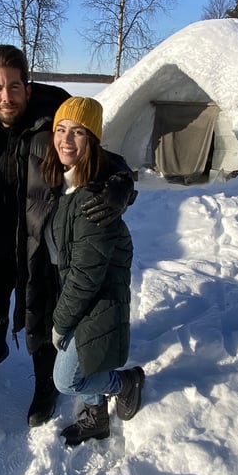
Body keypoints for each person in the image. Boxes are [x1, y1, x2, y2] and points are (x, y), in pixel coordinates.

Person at [0, 45, 137, 428]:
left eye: (14, 86)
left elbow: (92, 147)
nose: (6, 96)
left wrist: (120, 182)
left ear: (28, 83)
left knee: (39, 318)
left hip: (38, 244)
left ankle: (45, 386)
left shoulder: (53, 108)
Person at [40, 97, 145, 445]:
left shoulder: (93, 199)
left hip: (98, 300)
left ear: (93, 140)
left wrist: (60, 323)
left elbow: (87, 277)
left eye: (79, 133)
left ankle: (124, 383)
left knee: (66, 379)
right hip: (84, 294)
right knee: (82, 363)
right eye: (61, 129)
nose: (66, 140)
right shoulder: (69, 180)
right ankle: (97, 416)